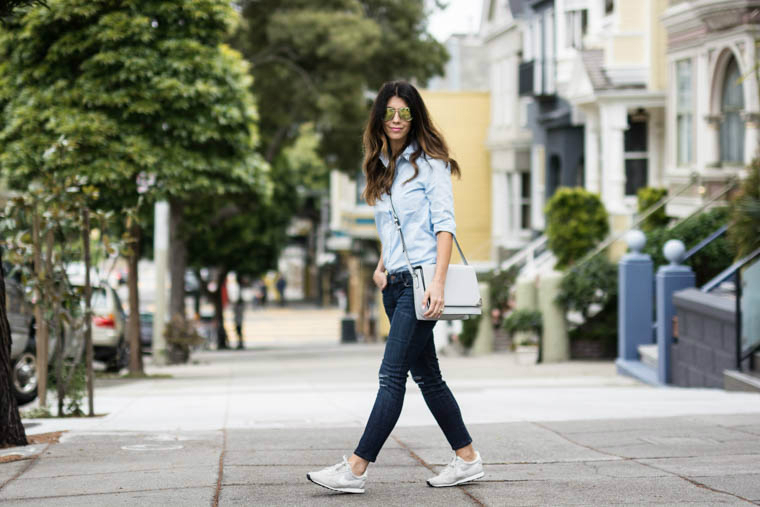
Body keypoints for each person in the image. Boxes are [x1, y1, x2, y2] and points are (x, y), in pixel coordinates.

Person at [307, 81, 483, 494]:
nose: (397, 120)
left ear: (415, 115)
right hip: (396, 282)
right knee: (429, 379)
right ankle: (468, 458)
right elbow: (393, 224)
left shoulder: (432, 163)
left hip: (421, 285)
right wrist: (383, 265)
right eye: (389, 113)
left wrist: (437, 283)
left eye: (405, 112)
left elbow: (443, 226)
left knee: (391, 377)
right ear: (379, 118)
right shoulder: (383, 164)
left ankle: (355, 469)